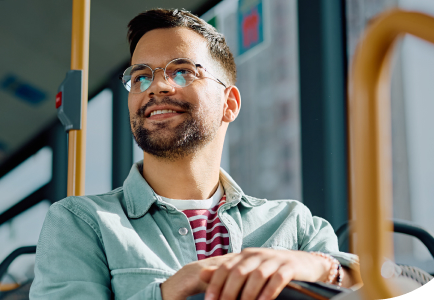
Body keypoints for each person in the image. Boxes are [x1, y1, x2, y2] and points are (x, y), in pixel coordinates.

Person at [30, 8, 360, 300]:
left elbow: (379, 283)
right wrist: (171, 291)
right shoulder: (81, 222)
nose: (157, 87)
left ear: (228, 104)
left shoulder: (293, 223)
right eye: (142, 76)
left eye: (182, 71)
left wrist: (315, 266)